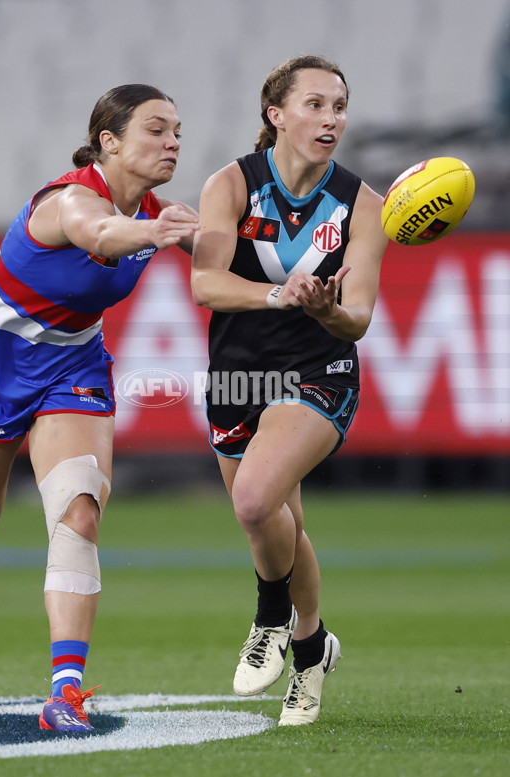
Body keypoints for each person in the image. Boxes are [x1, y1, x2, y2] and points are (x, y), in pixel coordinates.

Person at [0, 84, 198, 732]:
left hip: (72, 365)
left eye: (178, 131)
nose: (173, 142)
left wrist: (286, 284)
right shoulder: (69, 199)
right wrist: (159, 232)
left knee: (79, 507)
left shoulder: (158, 211)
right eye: (156, 129)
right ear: (109, 141)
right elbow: (98, 233)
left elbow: (221, 264)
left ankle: (64, 691)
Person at [191, 55, 388, 726]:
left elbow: (357, 317)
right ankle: (312, 649)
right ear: (276, 115)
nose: (331, 117)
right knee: (280, 524)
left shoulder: (364, 205)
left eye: (338, 105)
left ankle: (272, 617)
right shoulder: (231, 185)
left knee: (253, 499)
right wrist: (280, 293)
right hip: (238, 372)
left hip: (318, 370)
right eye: (315, 104)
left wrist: (327, 310)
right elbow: (204, 282)